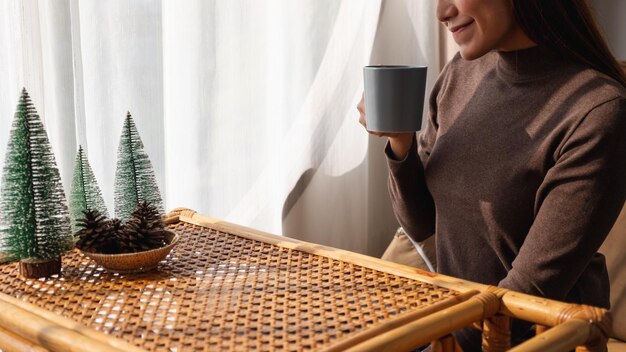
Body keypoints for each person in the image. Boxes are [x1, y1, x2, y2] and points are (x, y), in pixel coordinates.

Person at [358, 0, 626, 350]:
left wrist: (430, 342)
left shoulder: (598, 112)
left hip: (541, 341)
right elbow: (422, 223)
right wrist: (400, 141)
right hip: (458, 325)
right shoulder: (462, 73)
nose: (441, 12)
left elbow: (529, 294)